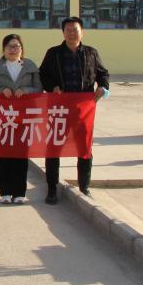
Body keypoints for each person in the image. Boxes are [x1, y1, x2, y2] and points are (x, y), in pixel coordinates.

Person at [38, 16, 109, 205]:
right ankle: (52, 189)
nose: (71, 33)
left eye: (75, 30)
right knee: (54, 148)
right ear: (63, 33)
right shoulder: (53, 53)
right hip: (59, 108)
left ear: (82, 32)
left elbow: (103, 74)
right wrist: (52, 87)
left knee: (84, 147)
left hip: (82, 109)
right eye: (68, 30)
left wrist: (103, 87)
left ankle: (84, 187)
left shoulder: (91, 53)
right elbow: (42, 74)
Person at [0, 33, 41, 204]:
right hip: (3, 117)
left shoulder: (30, 67)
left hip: (24, 117)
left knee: (21, 154)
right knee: (4, 154)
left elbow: (39, 88)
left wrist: (26, 90)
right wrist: (1, 90)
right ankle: (5, 192)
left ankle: (19, 192)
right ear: (4, 49)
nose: (13, 49)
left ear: (22, 49)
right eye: (10, 46)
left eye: (17, 46)